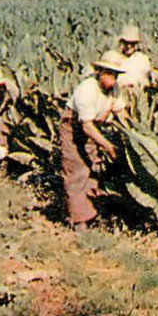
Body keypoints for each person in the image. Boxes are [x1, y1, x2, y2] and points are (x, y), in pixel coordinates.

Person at [60, 50, 126, 231]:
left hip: (94, 130)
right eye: (109, 74)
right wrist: (108, 146)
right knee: (76, 171)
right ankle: (79, 223)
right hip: (74, 129)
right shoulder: (87, 89)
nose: (113, 79)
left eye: (116, 75)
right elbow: (86, 126)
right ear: (100, 72)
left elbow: (121, 112)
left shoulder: (114, 89)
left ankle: (90, 215)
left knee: (94, 169)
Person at [113, 24, 154, 118]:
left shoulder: (143, 59)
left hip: (139, 97)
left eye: (131, 43)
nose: (128, 46)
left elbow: (148, 78)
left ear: (136, 44)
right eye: (126, 43)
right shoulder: (117, 58)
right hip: (121, 97)